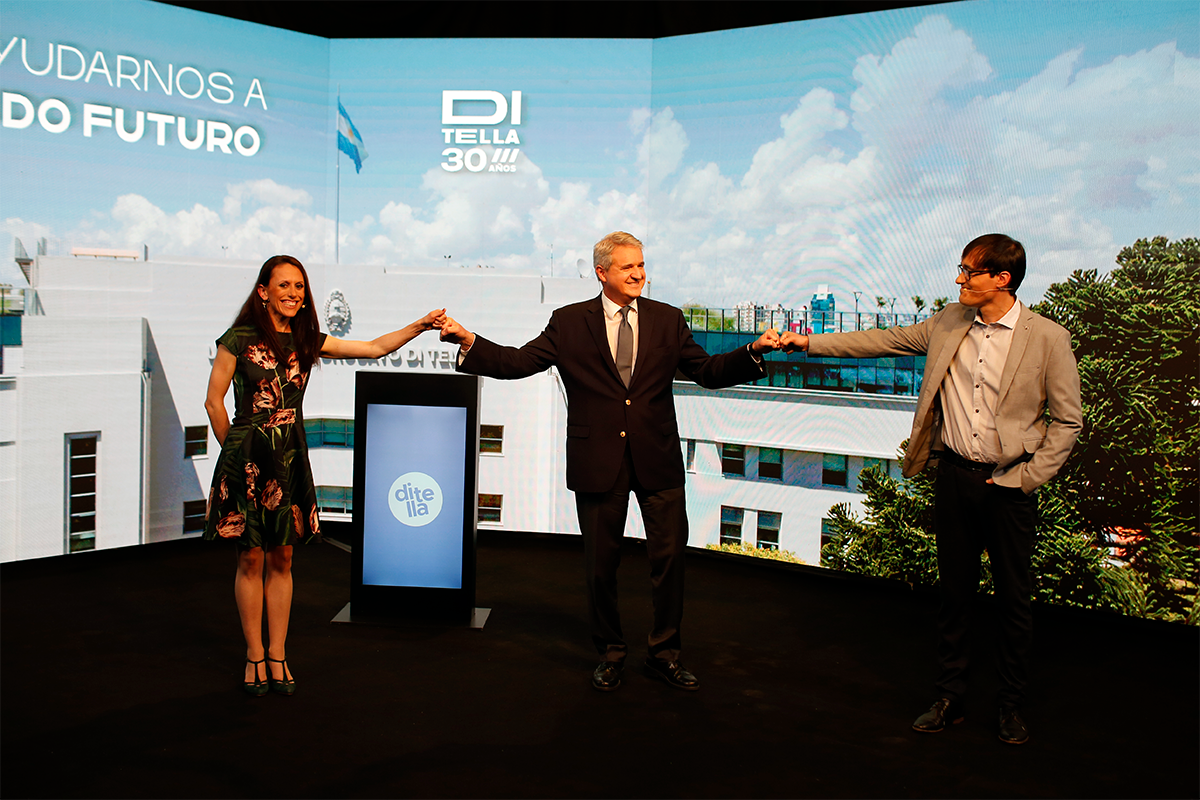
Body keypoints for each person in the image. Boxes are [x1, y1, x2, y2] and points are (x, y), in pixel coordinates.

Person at [438, 232, 781, 692]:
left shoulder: (667, 320)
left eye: (642, 265)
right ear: (602, 272)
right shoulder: (568, 322)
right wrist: (469, 341)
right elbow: (518, 362)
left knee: (669, 562)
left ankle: (664, 655)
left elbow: (706, 372)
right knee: (601, 566)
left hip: (657, 459)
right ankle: (611, 653)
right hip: (598, 461)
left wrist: (750, 353)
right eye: (628, 267)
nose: (639, 274)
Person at [780, 234, 1082, 745]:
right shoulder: (948, 321)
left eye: (969, 271)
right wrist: (807, 342)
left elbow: (1067, 422)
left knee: (1013, 602)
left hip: (1008, 487)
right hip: (954, 477)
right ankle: (950, 698)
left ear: (1001, 279)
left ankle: (1010, 706)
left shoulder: (1048, 338)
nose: (959, 279)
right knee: (955, 597)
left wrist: (1027, 478)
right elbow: (884, 341)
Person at [204, 254, 444, 696]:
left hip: (289, 458)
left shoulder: (307, 338)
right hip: (246, 460)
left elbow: (372, 348)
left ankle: (278, 654)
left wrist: (419, 326)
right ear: (263, 292)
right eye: (284, 286)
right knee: (250, 558)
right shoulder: (237, 339)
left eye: (299, 286)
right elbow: (214, 403)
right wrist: (235, 459)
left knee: (283, 558)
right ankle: (254, 654)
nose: (294, 293)